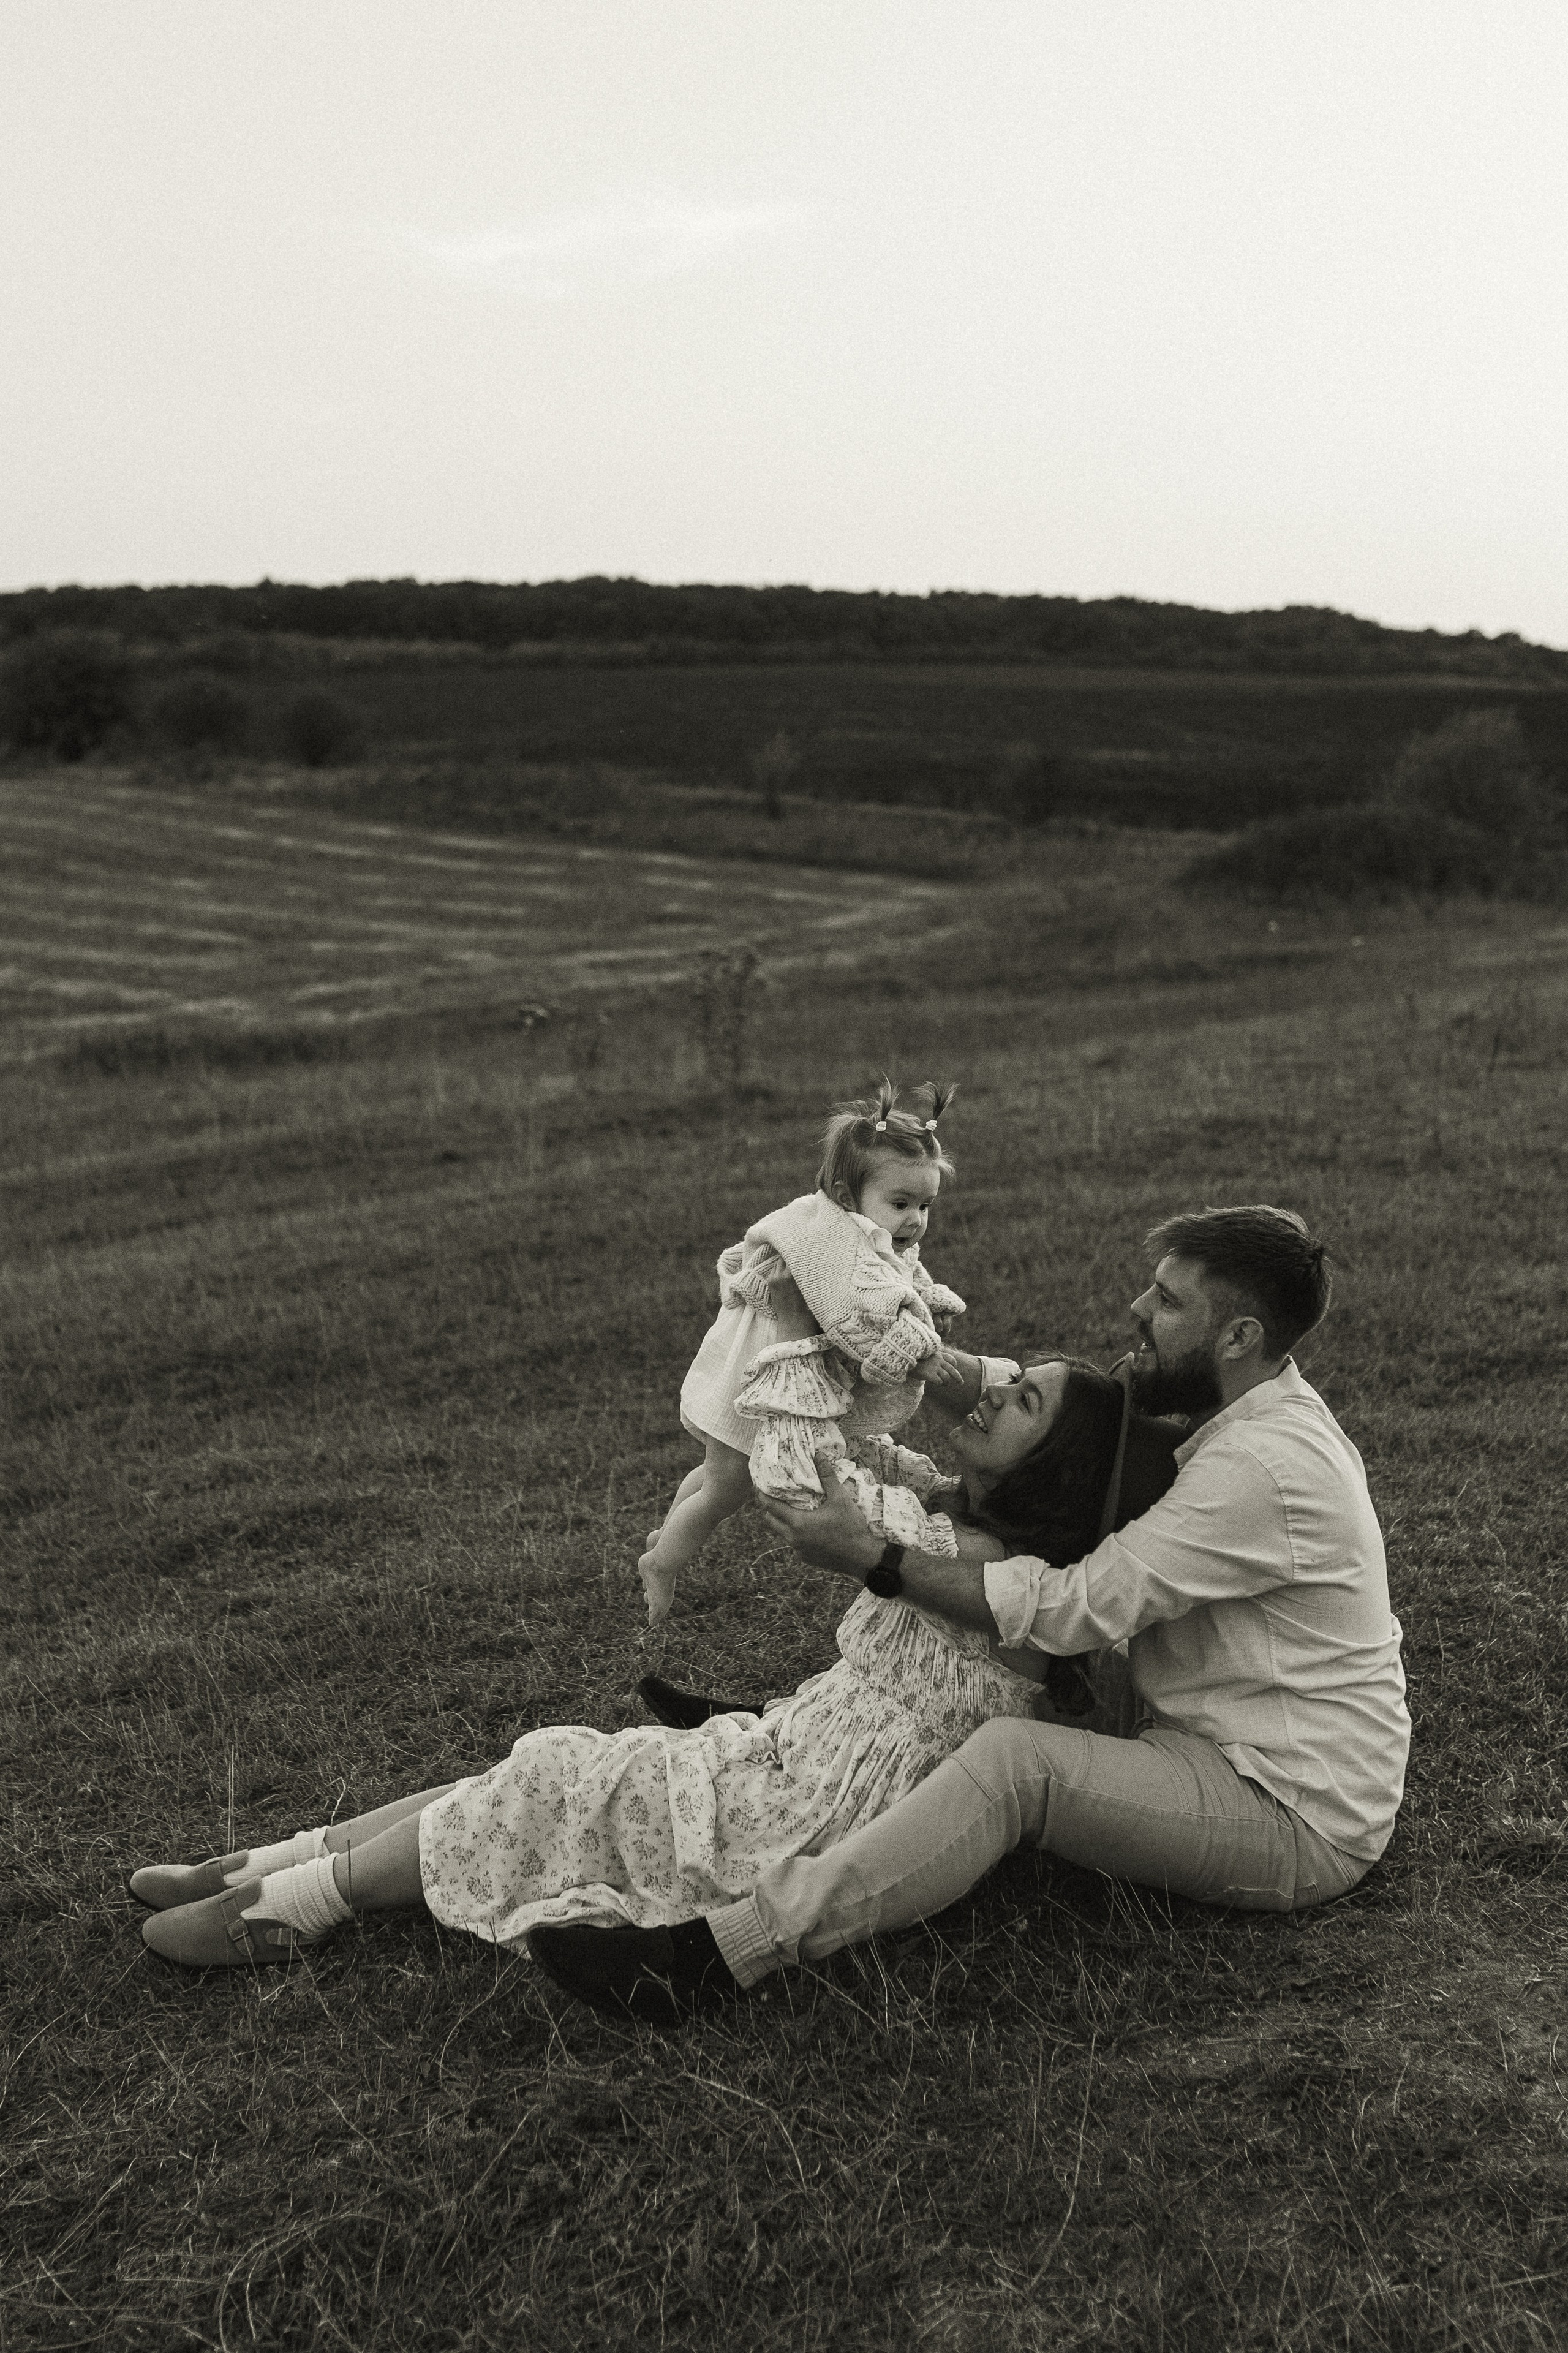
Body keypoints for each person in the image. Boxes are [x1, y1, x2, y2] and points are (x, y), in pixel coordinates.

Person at [527, 1205, 1412, 2025]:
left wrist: (877, 1559)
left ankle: (722, 1952)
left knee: (1018, 1760)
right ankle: (802, 1736)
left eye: (1168, 1299)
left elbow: (1071, 1611)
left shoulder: (1262, 1466)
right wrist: (851, 1313)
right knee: (1022, 1650)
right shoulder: (1208, 1400)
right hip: (1184, 1727)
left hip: (1291, 1805)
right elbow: (1025, 1400)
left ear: (1240, 1335)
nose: (1138, 1307)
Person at [130, 1319, 1180, 1971]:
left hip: (800, 1815)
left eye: (1025, 1399)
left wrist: (805, 1367)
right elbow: (874, 1452)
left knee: (554, 1778)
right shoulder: (957, 1517)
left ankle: (294, 1909)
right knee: (545, 1765)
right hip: (780, 1761)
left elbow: (814, 1479)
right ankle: (281, 1858)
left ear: (1059, 1473)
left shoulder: (989, 1571)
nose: (994, 1390)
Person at [637, 1076, 967, 1624]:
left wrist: (931, 1301)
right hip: (762, 1370)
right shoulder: (832, 1240)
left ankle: (670, 1533)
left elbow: (900, 1278)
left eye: (926, 1205)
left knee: (718, 1472)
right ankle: (663, 1561)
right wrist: (918, 1350)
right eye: (902, 1202)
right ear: (846, 1195)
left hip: (758, 1360)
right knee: (725, 1487)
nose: (915, 1219)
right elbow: (869, 1302)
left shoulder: (859, 1226)